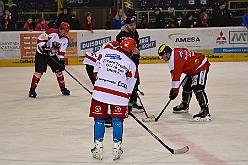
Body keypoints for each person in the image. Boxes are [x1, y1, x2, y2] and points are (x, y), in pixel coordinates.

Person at [89, 37, 138, 161]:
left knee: (99, 119)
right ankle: (117, 148)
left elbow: (95, 71)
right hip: (119, 95)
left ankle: (98, 147)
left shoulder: (105, 52)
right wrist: (125, 98)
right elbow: (130, 86)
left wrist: (103, 82)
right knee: (117, 120)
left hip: (100, 91)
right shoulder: (132, 64)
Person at [157, 44, 211, 122]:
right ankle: (185, 105)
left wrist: (174, 92)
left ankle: (205, 111)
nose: (162, 58)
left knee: (197, 87)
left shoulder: (174, 60)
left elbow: (176, 77)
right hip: (194, 67)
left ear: (168, 54)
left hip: (200, 66)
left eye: (162, 56)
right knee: (186, 85)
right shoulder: (175, 51)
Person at [28, 22, 71, 98]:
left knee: (59, 71)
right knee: (39, 72)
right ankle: (32, 90)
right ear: (60, 29)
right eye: (64, 31)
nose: (66, 33)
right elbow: (40, 39)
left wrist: (61, 61)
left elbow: (61, 52)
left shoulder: (65, 40)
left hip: (51, 55)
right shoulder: (51, 32)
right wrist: (43, 47)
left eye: (67, 32)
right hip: (41, 54)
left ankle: (63, 89)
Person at [83, 40, 120, 127]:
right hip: (93, 64)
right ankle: (103, 116)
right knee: (103, 91)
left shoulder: (114, 46)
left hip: (93, 63)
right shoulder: (114, 48)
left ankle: (103, 114)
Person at [116, 16, 143, 111]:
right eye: (131, 25)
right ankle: (126, 101)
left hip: (134, 63)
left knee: (136, 81)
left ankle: (133, 101)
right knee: (127, 82)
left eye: (134, 24)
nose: (133, 27)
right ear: (126, 25)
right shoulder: (122, 35)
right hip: (126, 64)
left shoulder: (135, 32)